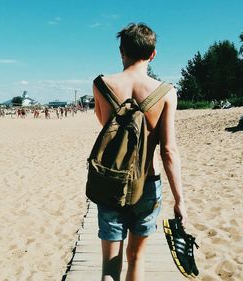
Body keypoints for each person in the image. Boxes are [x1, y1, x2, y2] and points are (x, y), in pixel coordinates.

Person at [92, 23, 187, 281]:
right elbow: (169, 150)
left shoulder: (101, 84)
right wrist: (180, 200)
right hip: (147, 181)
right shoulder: (167, 93)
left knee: (109, 267)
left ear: (121, 51)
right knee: (136, 258)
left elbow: (105, 125)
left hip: (111, 180)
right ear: (153, 54)